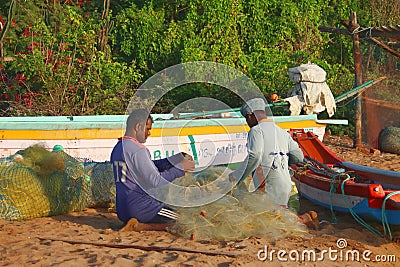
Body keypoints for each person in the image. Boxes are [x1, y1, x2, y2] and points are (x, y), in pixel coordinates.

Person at [110, 108, 195, 230]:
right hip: (143, 208)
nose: (149, 133)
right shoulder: (138, 149)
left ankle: (134, 222)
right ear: (138, 127)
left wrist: (173, 160)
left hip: (122, 210)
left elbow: (148, 166)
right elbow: (156, 181)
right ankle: (141, 227)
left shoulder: (118, 147)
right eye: (148, 129)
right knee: (184, 220)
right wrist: (181, 168)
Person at [229, 98, 304, 207]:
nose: (247, 122)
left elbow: (255, 156)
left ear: (250, 116)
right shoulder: (282, 132)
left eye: (246, 118)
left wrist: (237, 175)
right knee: (280, 218)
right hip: (285, 188)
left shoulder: (256, 130)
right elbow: (299, 157)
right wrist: (281, 162)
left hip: (269, 189)